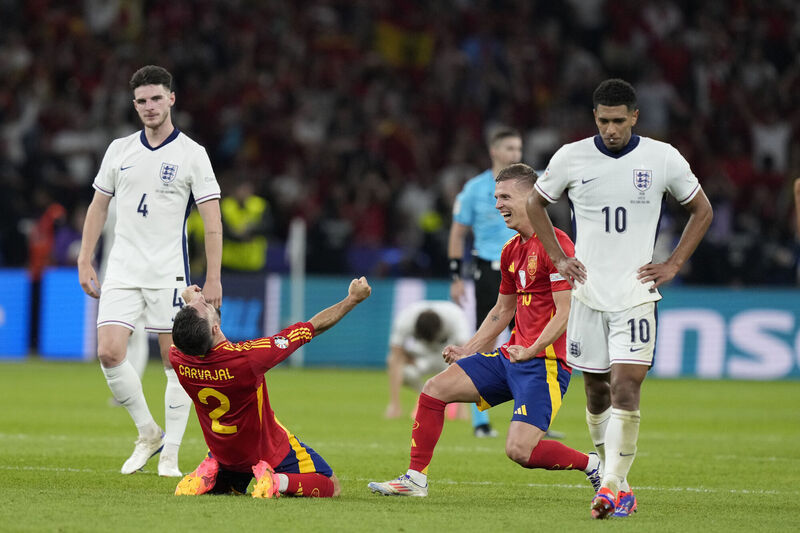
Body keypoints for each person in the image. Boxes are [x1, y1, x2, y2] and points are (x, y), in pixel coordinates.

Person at [526, 78, 713, 519]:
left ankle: (609, 486)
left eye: (619, 121)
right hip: (588, 294)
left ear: (634, 116)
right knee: (595, 392)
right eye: (604, 120)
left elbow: (702, 210)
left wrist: (673, 265)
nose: (611, 129)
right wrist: (557, 257)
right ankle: (622, 485)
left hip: (635, 294)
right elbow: (536, 204)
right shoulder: (571, 157)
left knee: (625, 386)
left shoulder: (662, 158)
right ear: (595, 117)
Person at [368, 163, 601, 497]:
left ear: (532, 198)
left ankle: (593, 465)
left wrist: (533, 350)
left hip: (544, 364)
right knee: (434, 390)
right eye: (495, 197)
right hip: (511, 358)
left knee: (521, 452)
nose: (497, 205)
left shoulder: (556, 246)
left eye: (505, 196)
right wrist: (468, 349)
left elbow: (566, 313)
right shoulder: (511, 250)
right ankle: (415, 479)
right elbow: (502, 310)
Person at [77, 65, 223, 477]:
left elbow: (212, 219)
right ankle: (149, 433)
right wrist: (85, 256)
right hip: (122, 268)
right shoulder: (119, 150)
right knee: (108, 351)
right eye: (142, 101)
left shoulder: (192, 154)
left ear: (171, 99)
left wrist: (213, 276)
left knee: (174, 360)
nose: (149, 107)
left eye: (157, 98)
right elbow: (98, 206)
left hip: (168, 273)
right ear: (134, 104)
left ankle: (172, 456)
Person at [171, 278, 371, 497]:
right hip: (263, 450)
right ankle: (276, 481)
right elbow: (313, 328)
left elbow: (186, 337)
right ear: (215, 328)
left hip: (225, 453)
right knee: (331, 485)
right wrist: (352, 299)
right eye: (205, 305)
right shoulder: (248, 359)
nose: (203, 300)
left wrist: (191, 301)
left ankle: (210, 473)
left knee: (231, 486)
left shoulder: (178, 358)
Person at [447, 126, 521, 438]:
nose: (515, 155)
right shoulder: (475, 189)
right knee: (487, 338)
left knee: (527, 340)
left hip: (525, 267)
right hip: (490, 270)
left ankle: (529, 418)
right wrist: (456, 276)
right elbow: (457, 233)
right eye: (510, 149)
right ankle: (480, 422)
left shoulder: (527, 187)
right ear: (494, 151)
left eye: (518, 149)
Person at [383, 300, 470, 420]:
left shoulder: (454, 316)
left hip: (447, 358)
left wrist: (462, 408)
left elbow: (465, 356)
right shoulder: (406, 319)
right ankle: (425, 397)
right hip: (421, 357)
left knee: (462, 362)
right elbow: (395, 356)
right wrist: (394, 404)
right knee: (394, 363)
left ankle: (449, 401)